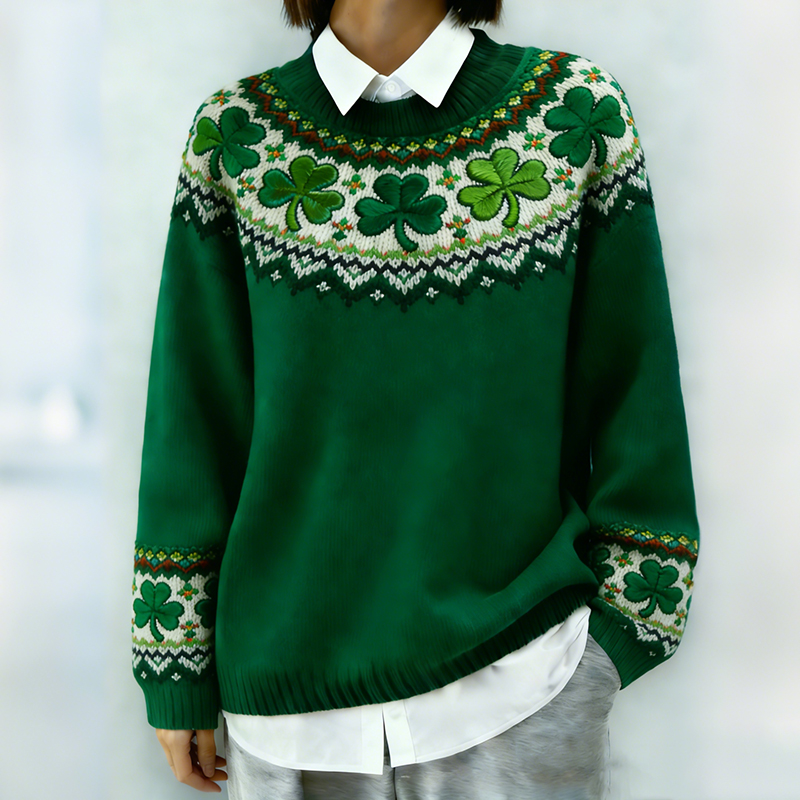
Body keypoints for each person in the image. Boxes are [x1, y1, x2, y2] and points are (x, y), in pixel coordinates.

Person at [130, 0, 701, 796]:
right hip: (287, 717)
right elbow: (194, 419)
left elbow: (636, 392)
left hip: (521, 688)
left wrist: (617, 640)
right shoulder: (236, 139)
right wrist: (174, 659)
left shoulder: (574, 116)